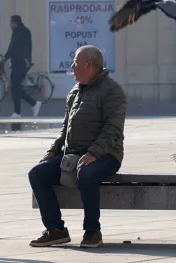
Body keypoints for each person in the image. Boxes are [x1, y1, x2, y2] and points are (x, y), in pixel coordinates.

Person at [27, 45, 127, 249]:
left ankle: (92, 232)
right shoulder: (75, 92)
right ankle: (56, 230)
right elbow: (66, 129)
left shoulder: (112, 91)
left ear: (88, 65)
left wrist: (93, 153)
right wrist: (53, 151)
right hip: (74, 154)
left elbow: (113, 129)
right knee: (37, 173)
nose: (72, 67)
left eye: (75, 63)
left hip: (106, 155)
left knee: (86, 174)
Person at [3, 14, 41, 117]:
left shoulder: (24, 31)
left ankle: (26, 108)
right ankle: (22, 110)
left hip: (22, 63)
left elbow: (22, 47)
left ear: (15, 23)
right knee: (15, 87)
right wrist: (5, 57)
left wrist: (25, 59)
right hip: (17, 63)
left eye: (11, 23)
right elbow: (12, 47)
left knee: (15, 87)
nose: (10, 25)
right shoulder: (16, 32)